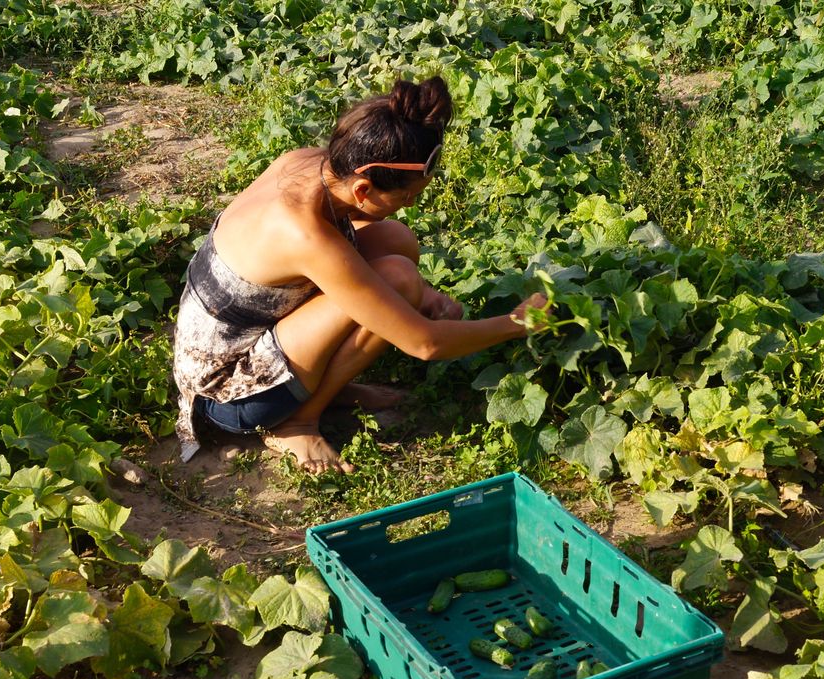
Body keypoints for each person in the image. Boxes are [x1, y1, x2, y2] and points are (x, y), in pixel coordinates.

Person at [172, 76, 547, 472]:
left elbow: (358, 248)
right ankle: (296, 421)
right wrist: (516, 323)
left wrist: (426, 292)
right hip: (227, 393)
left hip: (242, 334)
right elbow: (425, 344)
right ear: (364, 190)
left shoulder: (307, 162)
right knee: (399, 278)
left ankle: (325, 386)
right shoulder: (303, 234)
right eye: (406, 196)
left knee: (395, 240)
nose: (410, 204)